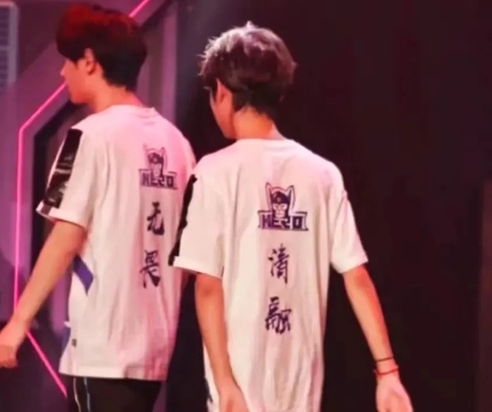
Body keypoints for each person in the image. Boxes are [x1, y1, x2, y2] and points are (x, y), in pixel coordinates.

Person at [169, 22, 413, 412]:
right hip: (302, 389)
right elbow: (356, 276)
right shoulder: (323, 173)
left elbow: (207, 286)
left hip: (238, 394)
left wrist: (224, 383)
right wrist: (388, 373)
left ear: (222, 92)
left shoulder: (212, 172)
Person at [0, 4, 196, 412]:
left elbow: (66, 237)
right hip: (155, 350)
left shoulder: (86, 136)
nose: (61, 72)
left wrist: (17, 323)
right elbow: (188, 253)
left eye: (67, 61)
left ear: (89, 61)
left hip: (102, 348)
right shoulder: (177, 143)